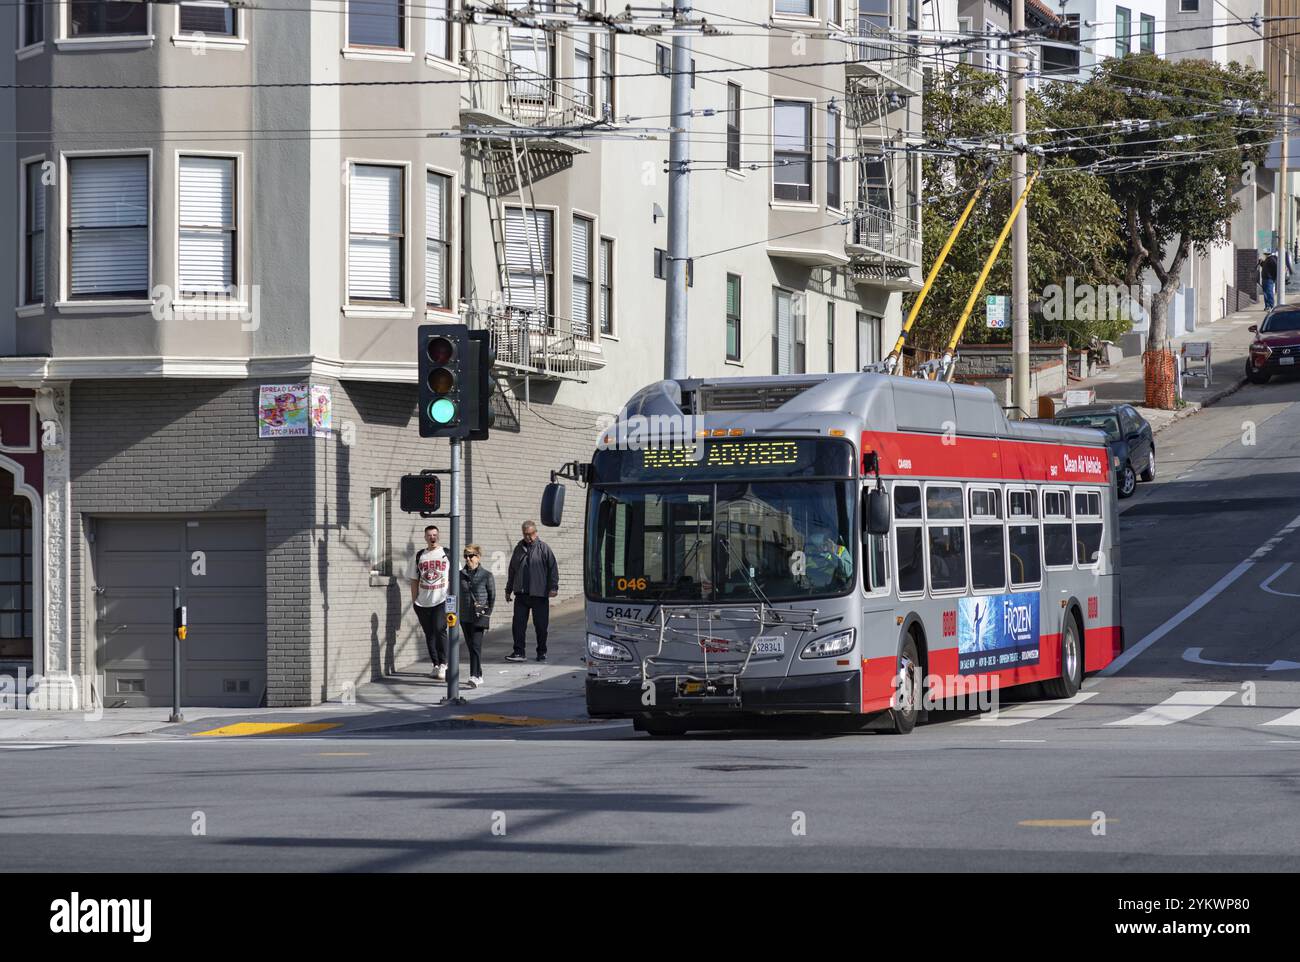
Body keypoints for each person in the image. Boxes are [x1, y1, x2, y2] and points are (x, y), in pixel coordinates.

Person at [505, 521, 559, 663]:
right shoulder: (518, 549)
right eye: (525, 534)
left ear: (535, 533)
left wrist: (553, 587)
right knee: (518, 625)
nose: (528, 537)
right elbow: (512, 570)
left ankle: (542, 652)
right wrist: (508, 589)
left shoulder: (544, 548)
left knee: (541, 626)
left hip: (539, 594)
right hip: (521, 594)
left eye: (530, 534)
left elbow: (553, 569)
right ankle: (519, 652)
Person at [407, 525, 450, 680]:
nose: (433, 537)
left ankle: (444, 663)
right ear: (425, 537)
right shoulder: (419, 556)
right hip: (423, 602)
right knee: (429, 634)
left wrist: (453, 599)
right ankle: (436, 664)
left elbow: (456, 576)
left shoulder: (446, 554)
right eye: (429, 535)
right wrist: (414, 601)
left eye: (435, 535)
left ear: (438, 536)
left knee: (440, 630)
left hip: (441, 599)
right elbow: (413, 580)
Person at [459, 543, 495, 688]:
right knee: (470, 646)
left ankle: (475, 676)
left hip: (480, 616)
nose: (468, 559)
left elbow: (492, 597)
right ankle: (478, 674)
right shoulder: (460, 575)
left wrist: (487, 614)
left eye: (471, 556)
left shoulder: (486, 575)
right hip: (464, 616)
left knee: (475, 645)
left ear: (478, 557)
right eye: (466, 556)